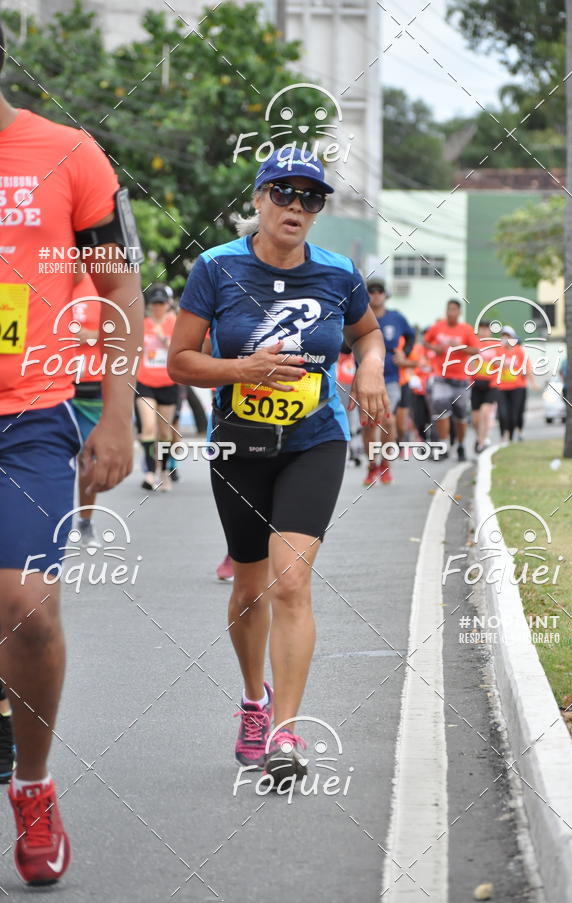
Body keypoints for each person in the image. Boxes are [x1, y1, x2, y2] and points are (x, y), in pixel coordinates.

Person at [168, 149, 387, 785]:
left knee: (291, 581)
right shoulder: (216, 268)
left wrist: (369, 366)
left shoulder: (339, 274)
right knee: (249, 585)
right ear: (259, 198)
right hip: (241, 445)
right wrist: (242, 370)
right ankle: (254, 701)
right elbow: (181, 361)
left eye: (311, 199)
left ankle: (286, 733)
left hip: (315, 440)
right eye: (285, 194)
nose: (297, 207)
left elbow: (365, 334)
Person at [0, 22, 143, 885]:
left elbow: (119, 281)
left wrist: (118, 415)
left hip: (30, 416)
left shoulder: (68, 153)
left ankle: (34, 784)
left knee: (27, 607)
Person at [363, 280, 414, 485]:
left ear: (386, 295)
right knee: (369, 425)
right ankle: (371, 466)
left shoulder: (396, 318)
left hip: (391, 379)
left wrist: (405, 354)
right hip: (365, 380)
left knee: (388, 421)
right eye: (371, 291)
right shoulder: (358, 317)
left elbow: (411, 336)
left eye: (380, 291)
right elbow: (346, 345)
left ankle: (385, 464)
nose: (376, 295)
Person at [68, 271, 105, 546]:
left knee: (88, 462)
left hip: (92, 386)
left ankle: (85, 522)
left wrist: (87, 336)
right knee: (49, 460)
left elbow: (117, 334)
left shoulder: (102, 287)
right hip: (54, 384)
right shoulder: (51, 283)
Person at [424, 299, 479, 461]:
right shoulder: (438, 327)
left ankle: (461, 445)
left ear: (459, 312)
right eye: (449, 309)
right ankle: (443, 445)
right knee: (441, 412)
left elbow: (476, 350)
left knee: (460, 416)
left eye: (454, 309)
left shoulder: (466, 330)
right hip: (441, 376)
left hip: (461, 379)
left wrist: (461, 347)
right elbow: (425, 341)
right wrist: (436, 348)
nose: (451, 312)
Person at [135, 283, 178, 491]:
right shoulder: (141, 324)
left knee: (164, 434)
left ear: (168, 305)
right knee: (148, 427)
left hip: (168, 383)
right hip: (145, 382)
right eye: (154, 304)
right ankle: (150, 473)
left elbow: (179, 350)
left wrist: (163, 337)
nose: (157, 307)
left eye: (161, 304)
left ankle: (164, 471)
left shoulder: (175, 324)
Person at [496, 326, 534, 442]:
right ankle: (504, 435)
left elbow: (526, 368)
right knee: (503, 414)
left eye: (508, 336)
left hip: (518, 387)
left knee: (516, 413)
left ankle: (515, 434)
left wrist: (532, 382)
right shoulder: (498, 350)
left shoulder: (519, 351)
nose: (505, 339)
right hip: (501, 387)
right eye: (503, 336)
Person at [469, 320, 501, 453]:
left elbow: (501, 362)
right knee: (475, 419)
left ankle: (483, 441)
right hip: (476, 383)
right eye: (481, 329)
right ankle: (479, 437)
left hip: (491, 383)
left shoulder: (497, 345)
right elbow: (469, 362)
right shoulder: (474, 344)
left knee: (485, 412)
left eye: (486, 329)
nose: (484, 332)